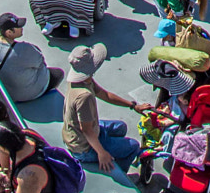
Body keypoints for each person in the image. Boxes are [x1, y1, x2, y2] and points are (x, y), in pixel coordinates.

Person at [61, 44, 147, 173]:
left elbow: (105, 94)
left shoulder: (84, 80)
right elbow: (87, 131)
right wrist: (102, 153)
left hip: (85, 131)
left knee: (121, 127)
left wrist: (132, 105)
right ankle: (118, 171)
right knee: (134, 146)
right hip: (83, 147)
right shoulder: (84, 96)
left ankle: (114, 152)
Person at [0, 11, 65, 102]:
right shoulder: (25, 49)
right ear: (9, 32)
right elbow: (40, 62)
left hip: (5, 91)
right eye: (18, 27)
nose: (21, 28)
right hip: (29, 93)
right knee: (58, 73)